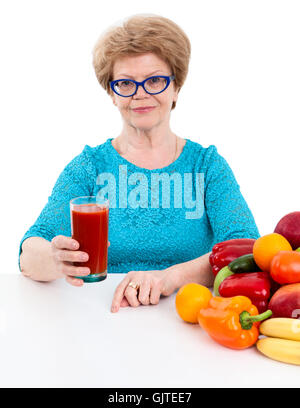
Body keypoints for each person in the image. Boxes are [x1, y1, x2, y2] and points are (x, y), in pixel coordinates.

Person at [19, 14, 260, 313]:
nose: (141, 93)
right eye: (125, 83)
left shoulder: (207, 166)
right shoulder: (89, 166)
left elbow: (247, 248)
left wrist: (170, 277)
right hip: (101, 320)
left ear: (176, 87)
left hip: (190, 321)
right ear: (112, 93)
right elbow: (29, 252)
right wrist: (56, 259)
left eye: (155, 80)